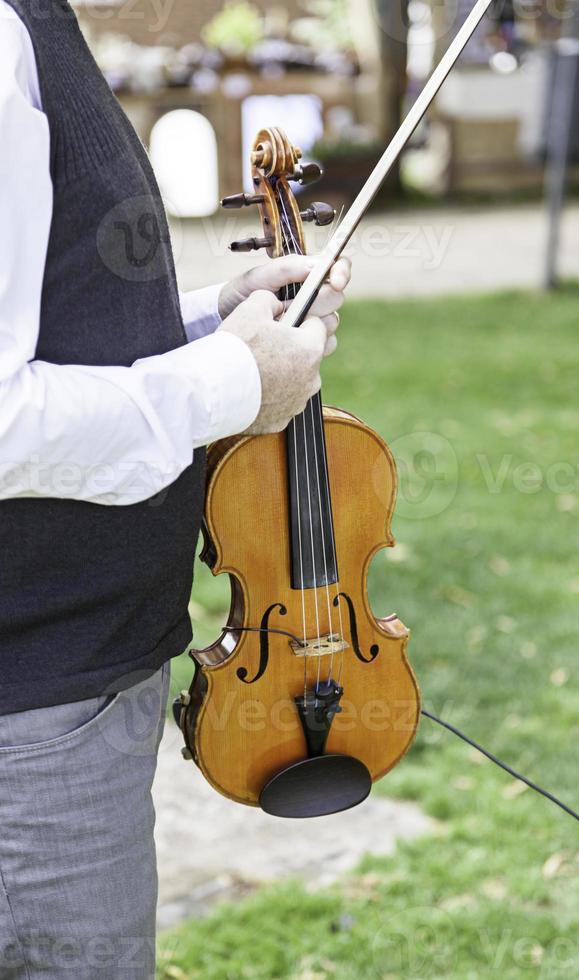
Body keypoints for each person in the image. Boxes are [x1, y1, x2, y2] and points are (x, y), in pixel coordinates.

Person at [0, 1, 351, 976]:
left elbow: (52, 318)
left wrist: (215, 320)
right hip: (31, 723)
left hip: (61, 695)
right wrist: (237, 384)